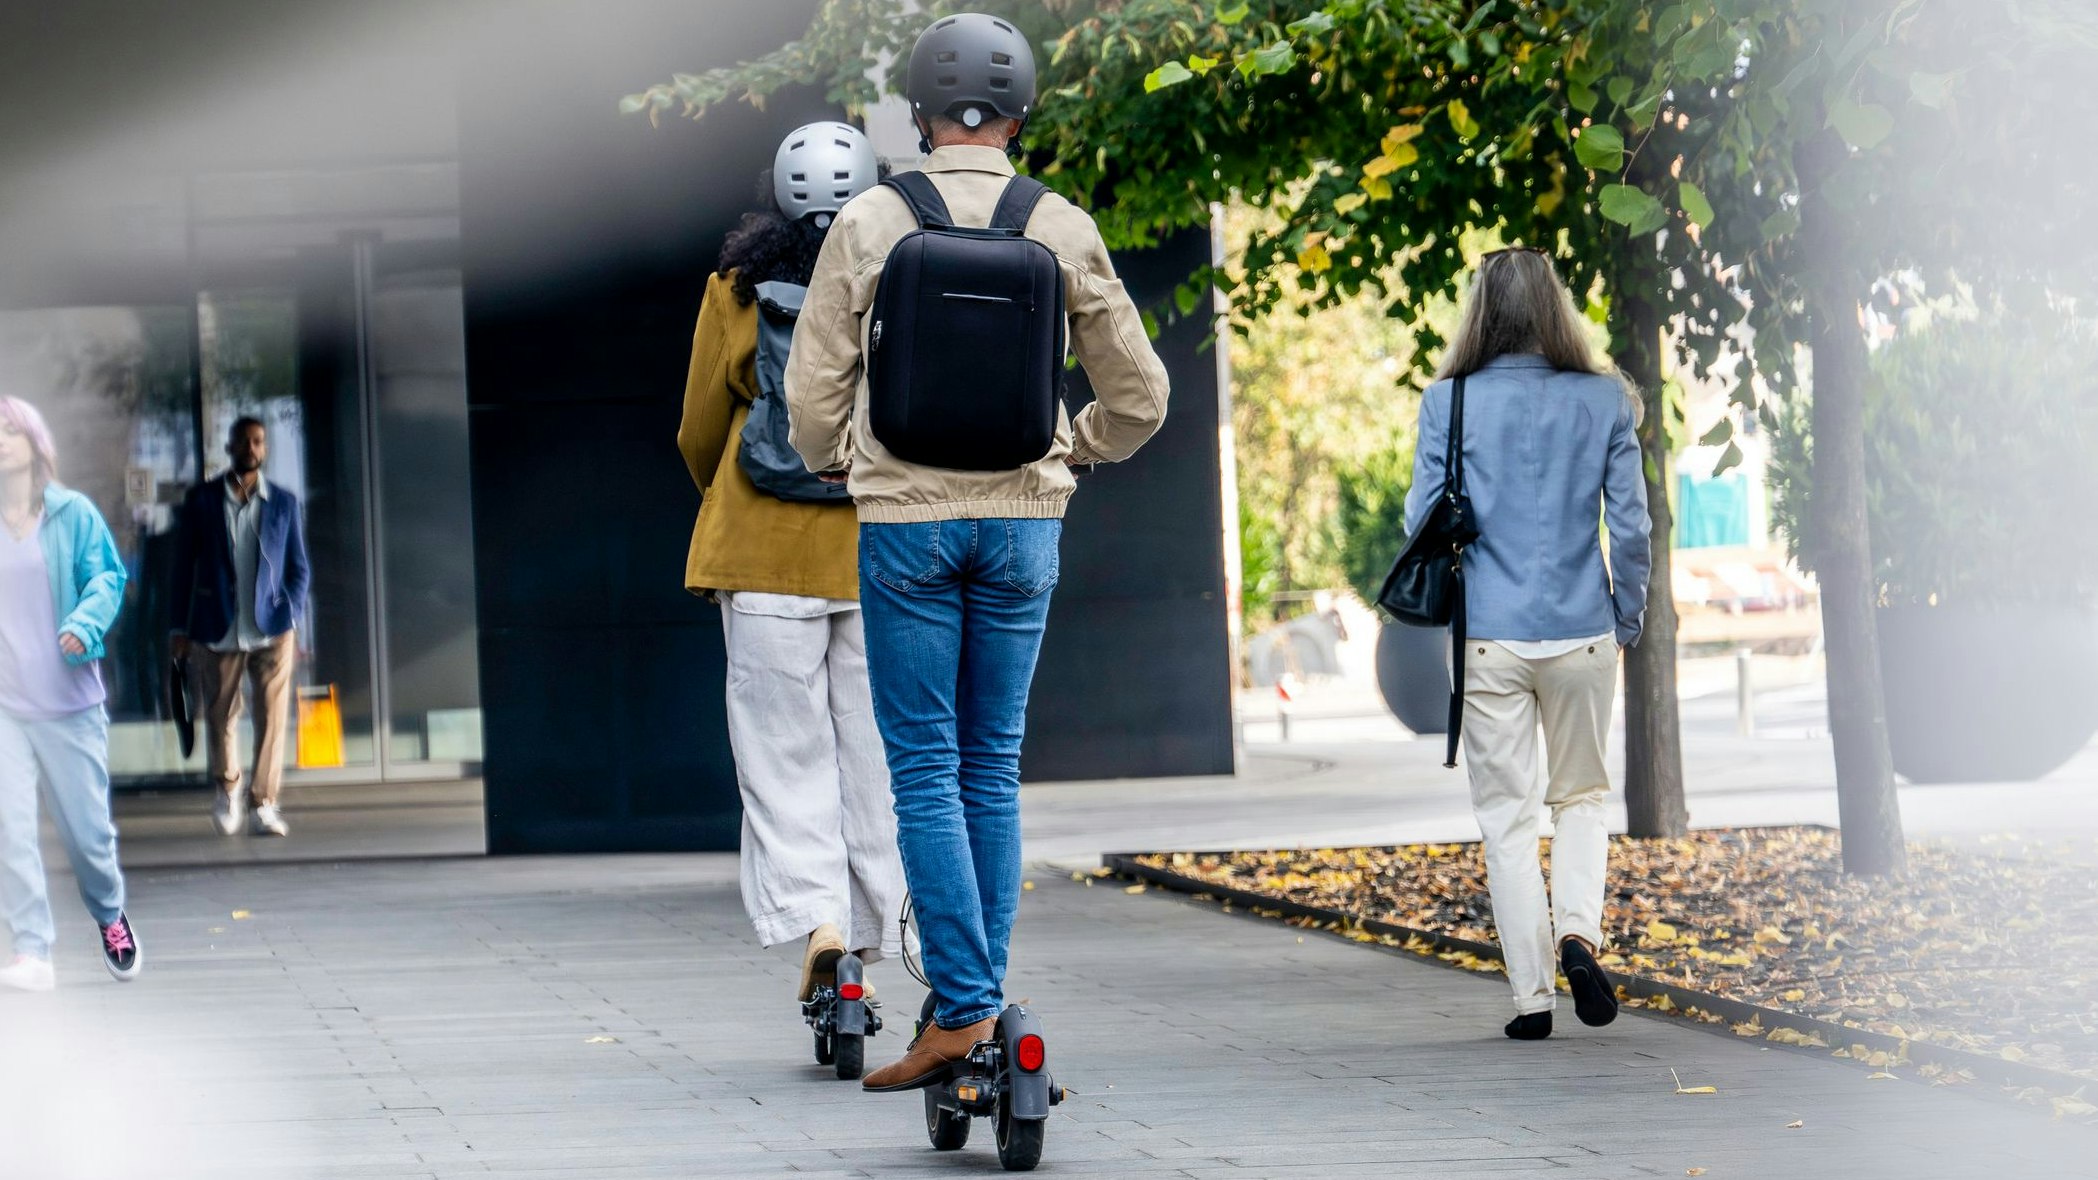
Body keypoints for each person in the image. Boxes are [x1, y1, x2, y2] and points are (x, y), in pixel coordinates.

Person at [787, 12, 1169, 1091]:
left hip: (903, 523)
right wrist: (1075, 447)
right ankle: (980, 1001)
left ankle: (960, 1011)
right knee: (989, 761)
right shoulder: (1060, 223)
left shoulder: (866, 219)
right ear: (1018, 113)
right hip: (1023, 522)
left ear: (915, 114)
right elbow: (1141, 396)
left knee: (921, 765)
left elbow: (813, 390)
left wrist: (831, 460)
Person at [678, 122, 906, 1002]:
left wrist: (726, 494)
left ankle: (822, 927)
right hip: (878, 550)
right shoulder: (900, 276)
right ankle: (892, 939)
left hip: (760, 554)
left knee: (782, 758)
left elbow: (701, 427)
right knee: (877, 756)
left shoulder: (733, 290)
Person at [1403, 247, 1653, 1040]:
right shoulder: (1605, 399)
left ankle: (1532, 1000)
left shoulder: (1450, 403)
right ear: (1557, 308)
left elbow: (1420, 523)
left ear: (1479, 310)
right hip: (1584, 630)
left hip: (1491, 640)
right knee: (1580, 797)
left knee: (1507, 818)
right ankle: (1580, 932)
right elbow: (1635, 526)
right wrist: (1628, 616)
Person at [0, 396, 141, 990]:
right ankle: (32, 950)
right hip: (5, 706)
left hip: (70, 705)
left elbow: (108, 577)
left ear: (34, 442)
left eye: (9, 429)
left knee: (88, 840)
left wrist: (83, 625)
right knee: (8, 828)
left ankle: (109, 913)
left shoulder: (72, 514)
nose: (1, 439)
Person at [170, 417, 311, 838]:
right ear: (229, 445)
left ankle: (263, 803)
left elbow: (298, 569)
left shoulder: (284, 503)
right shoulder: (203, 501)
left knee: (272, 719)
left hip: (272, 628)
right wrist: (178, 627)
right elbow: (181, 570)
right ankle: (227, 789)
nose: (251, 448)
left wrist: (292, 612)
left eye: (258, 441)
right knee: (220, 714)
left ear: (264, 449)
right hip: (220, 627)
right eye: (243, 441)